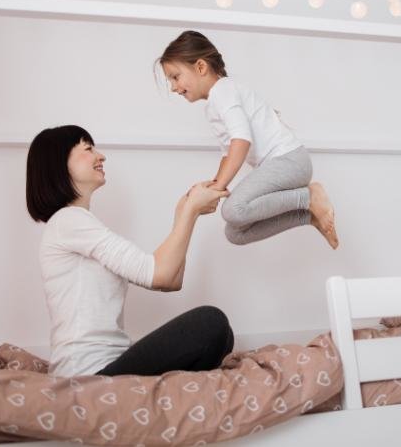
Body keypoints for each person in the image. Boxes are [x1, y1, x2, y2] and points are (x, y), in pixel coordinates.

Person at [26, 124, 233, 377]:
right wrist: (190, 212)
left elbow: (172, 281)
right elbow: (161, 275)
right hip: (86, 373)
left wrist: (184, 214)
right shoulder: (69, 221)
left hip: (110, 365)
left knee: (222, 337)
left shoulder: (76, 223)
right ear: (59, 164)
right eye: (88, 148)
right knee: (210, 323)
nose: (101, 156)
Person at [157, 30, 339, 249]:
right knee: (235, 232)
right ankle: (309, 216)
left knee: (232, 210)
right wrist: (215, 186)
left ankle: (310, 196)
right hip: (283, 165)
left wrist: (221, 185)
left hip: (289, 161)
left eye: (175, 77)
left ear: (201, 67)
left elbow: (241, 141)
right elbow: (228, 153)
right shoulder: (214, 103)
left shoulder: (223, 91)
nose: (174, 87)